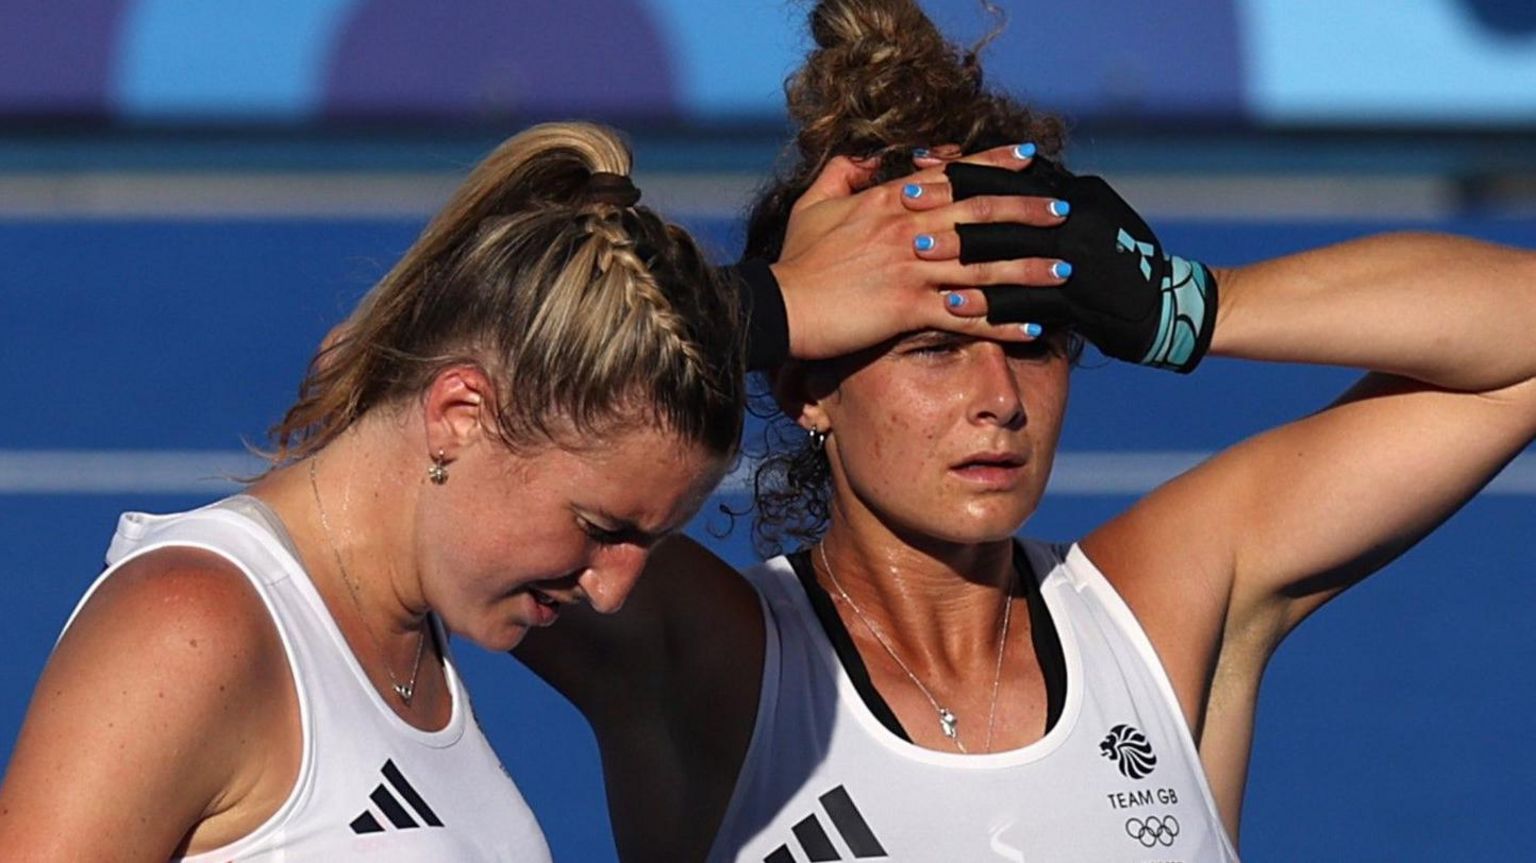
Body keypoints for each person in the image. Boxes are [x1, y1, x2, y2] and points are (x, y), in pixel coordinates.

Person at [512, 2, 1536, 861]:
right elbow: (446, 416)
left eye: (1035, 341)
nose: (998, 394)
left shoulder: (1159, 611)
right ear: (809, 386)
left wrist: (1191, 304)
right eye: (933, 347)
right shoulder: (704, 655)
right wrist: (762, 306)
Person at [0, 118, 1067, 861]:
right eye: (601, 528)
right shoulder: (194, 630)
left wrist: (761, 308)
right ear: (461, 414)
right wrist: (778, 304)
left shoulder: (410, 646)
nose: (613, 591)